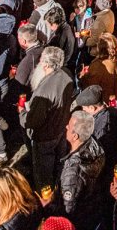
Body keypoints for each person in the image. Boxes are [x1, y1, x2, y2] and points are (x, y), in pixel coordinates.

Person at [23, 47, 76, 187]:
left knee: (43, 174)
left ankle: (46, 195)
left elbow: (33, 121)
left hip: (45, 136)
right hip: (60, 129)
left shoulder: (44, 90)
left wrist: (22, 113)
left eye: (41, 60)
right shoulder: (66, 75)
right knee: (59, 165)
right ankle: (59, 187)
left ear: (45, 65)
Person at [58, 111, 106, 229]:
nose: (66, 126)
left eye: (69, 126)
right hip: (94, 211)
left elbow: (68, 208)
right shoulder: (96, 146)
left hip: (80, 221)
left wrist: (50, 207)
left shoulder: (72, 171)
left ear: (75, 136)